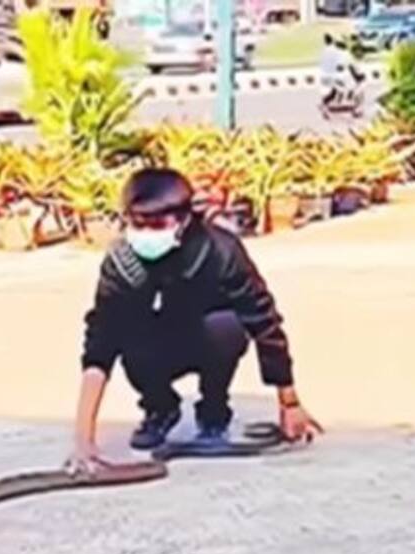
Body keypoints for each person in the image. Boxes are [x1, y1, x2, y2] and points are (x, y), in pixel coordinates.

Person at [67, 168, 323, 475]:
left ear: (184, 220)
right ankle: (159, 408)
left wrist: (290, 403)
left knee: (228, 328)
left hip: (209, 335)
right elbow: (100, 342)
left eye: (158, 224)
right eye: (138, 224)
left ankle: (214, 410)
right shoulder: (122, 262)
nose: (147, 233)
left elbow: (264, 321)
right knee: (128, 336)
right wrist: (83, 441)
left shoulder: (221, 251)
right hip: (156, 341)